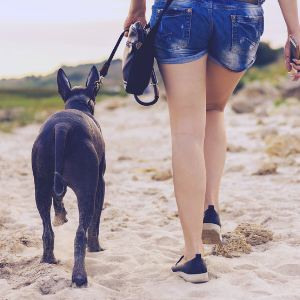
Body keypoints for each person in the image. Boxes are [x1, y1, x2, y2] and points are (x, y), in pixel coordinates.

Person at [124, 0, 300, 283]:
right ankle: (210, 208)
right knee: (214, 108)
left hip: (180, 10)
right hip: (241, 13)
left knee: (186, 132)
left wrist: (136, 10)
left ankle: (193, 255)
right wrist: (295, 32)